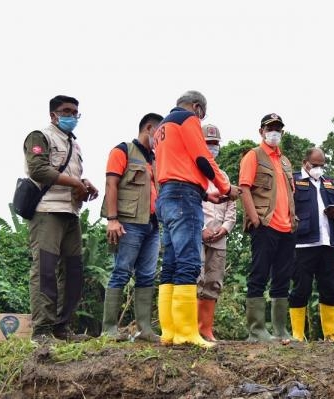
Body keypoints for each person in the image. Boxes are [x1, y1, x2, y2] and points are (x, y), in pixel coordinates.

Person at [153, 91, 241, 348]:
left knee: (170, 263)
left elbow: (176, 164)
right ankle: (187, 332)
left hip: (168, 195)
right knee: (190, 263)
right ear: (197, 108)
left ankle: (169, 332)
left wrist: (206, 193)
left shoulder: (162, 128)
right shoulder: (187, 120)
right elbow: (202, 158)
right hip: (183, 197)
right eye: (202, 114)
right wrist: (225, 188)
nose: (201, 119)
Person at [24, 95, 99, 342]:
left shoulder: (74, 145)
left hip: (71, 212)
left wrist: (85, 184)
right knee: (44, 270)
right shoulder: (40, 136)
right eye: (66, 111)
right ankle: (42, 331)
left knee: (73, 272)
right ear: (53, 114)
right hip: (47, 211)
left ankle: (61, 328)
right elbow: (38, 169)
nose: (72, 116)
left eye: (75, 112)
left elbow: (72, 174)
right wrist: (75, 182)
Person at [100, 113, 164, 342]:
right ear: (149, 128)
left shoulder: (155, 159)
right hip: (128, 222)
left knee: (147, 275)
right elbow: (111, 183)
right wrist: (112, 219)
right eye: (159, 132)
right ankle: (109, 329)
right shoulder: (123, 150)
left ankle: (143, 329)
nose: (161, 138)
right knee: (121, 272)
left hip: (152, 225)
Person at [239, 113, 296, 342]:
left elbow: (291, 193)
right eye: (270, 128)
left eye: (278, 128)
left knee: (282, 277)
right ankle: (256, 330)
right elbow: (244, 188)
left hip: (286, 227)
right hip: (265, 224)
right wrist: (254, 218)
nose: (274, 132)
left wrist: (294, 219)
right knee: (259, 275)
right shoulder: (253, 156)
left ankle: (280, 330)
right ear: (261, 131)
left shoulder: (285, 161)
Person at [289, 148, 334, 342]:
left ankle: (330, 333)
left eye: (322, 165)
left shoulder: (330, 183)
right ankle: (297, 334)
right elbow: (286, 206)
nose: (319, 168)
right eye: (315, 165)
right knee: (301, 288)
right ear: (305, 162)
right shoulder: (293, 181)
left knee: (329, 287)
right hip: (302, 245)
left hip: (328, 243)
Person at [198, 124, 236, 341]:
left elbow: (231, 206)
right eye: (208, 143)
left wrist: (225, 229)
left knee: (214, 281)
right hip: (198, 234)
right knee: (196, 279)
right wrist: (202, 230)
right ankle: (191, 327)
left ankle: (206, 329)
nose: (212, 147)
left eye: (215, 144)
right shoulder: (192, 171)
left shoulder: (223, 175)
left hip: (219, 237)